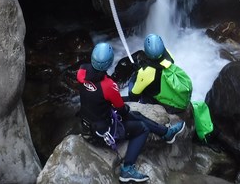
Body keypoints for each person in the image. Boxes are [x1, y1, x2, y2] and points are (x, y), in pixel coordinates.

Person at [77, 42, 186, 183]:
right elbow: (122, 110)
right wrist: (125, 110)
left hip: (87, 125)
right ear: (109, 63)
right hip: (101, 134)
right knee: (142, 128)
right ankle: (127, 169)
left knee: (137, 115)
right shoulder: (109, 86)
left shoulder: (81, 72)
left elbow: (94, 92)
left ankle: (166, 133)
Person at [128, 34, 191, 113]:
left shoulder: (146, 72)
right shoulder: (168, 55)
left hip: (164, 103)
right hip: (168, 89)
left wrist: (136, 75)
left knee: (133, 82)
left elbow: (134, 95)